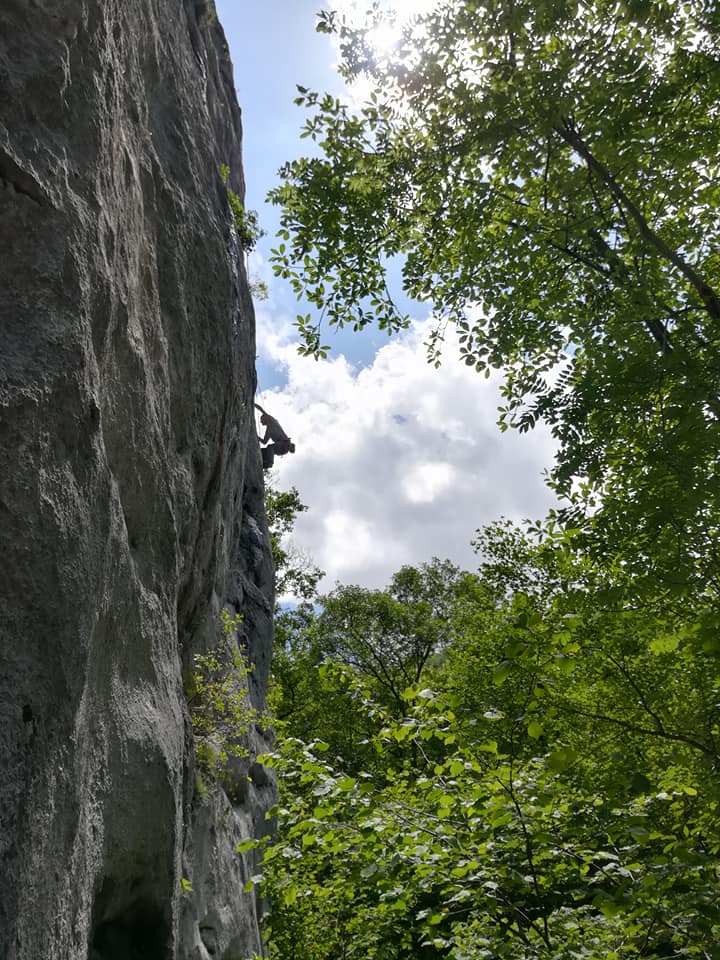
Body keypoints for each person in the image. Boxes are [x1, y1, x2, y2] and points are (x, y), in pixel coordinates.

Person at [255, 404, 295, 469]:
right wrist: (256, 436)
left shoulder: (272, 421)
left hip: (284, 444)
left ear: (265, 418)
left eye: (261, 419)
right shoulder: (268, 431)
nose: (261, 422)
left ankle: (270, 463)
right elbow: (264, 442)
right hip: (281, 449)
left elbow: (261, 410)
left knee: (270, 447)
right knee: (263, 451)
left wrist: (253, 404)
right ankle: (264, 462)